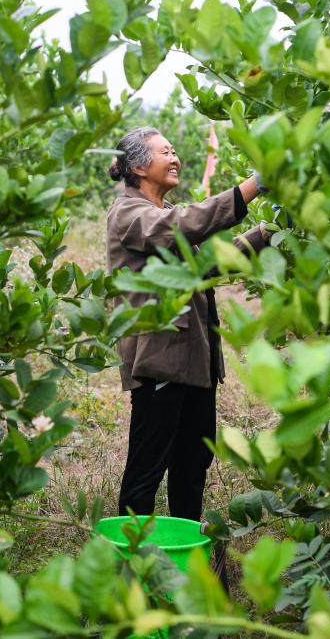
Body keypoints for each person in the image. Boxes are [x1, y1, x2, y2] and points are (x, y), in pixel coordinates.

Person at [106, 125, 270, 522]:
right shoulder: (129, 213)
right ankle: (132, 566)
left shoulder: (161, 213)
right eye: (166, 152)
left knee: (192, 466)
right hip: (160, 361)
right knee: (146, 471)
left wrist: (266, 233)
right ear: (139, 167)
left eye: (174, 150)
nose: (175, 158)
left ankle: (185, 557)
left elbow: (205, 267)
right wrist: (253, 186)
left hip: (194, 362)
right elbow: (183, 224)